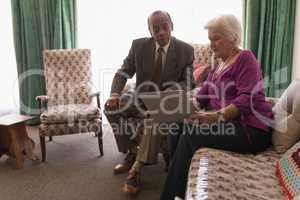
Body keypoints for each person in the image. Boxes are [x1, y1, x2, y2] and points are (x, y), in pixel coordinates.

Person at [160, 14, 273, 200]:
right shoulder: (217, 67)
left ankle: (170, 195)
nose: (211, 44)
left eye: (216, 38)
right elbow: (202, 95)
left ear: (233, 37)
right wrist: (183, 108)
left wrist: (217, 116)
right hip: (231, 125)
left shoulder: (245, 58)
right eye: (209, 39)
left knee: (191, 134)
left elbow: (247, 98)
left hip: (251, 129)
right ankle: (178, 185)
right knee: (177, 124)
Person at [104, 10, 194, 194]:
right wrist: (114, 94)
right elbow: (124, 71)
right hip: (140, 95)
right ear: (150, 30)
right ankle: (131, 151)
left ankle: (136, 169)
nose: (161, 32)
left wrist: (169, 92)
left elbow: (188, 81)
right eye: (156, 28)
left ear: (172, 26)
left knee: (156, 115)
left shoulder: (186, 50)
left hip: (166, 98)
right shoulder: (139, 46)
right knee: (111, 108)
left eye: (164, 27)